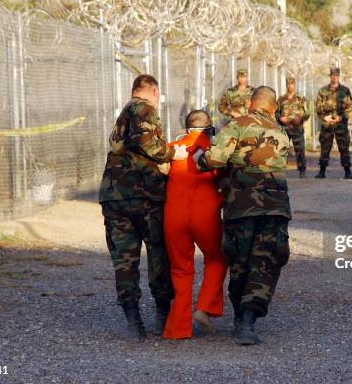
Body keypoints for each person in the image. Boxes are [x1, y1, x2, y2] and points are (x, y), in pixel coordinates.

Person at [193, 86, 291, 346]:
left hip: (241, 207)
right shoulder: (281, 132)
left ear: (250, 103)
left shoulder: (236, 125)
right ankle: (248, 321)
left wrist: (199, 157)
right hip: (274, 207)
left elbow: (215, 159)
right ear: (273, 107)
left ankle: (239, 317)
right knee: (265, 262)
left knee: (240, 261)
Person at [98, 74, 187, 342]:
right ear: (154, 91)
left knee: (125, 261)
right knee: (159, 254)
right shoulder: (143, 108)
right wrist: (174, 154)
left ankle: (134, 321)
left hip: (115, 197)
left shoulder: (124, 114)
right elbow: (145, 141)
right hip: (144, 196)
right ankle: (162, 316)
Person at [162, 110, 228, 339]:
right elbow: (224, 178)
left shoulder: (172, 148)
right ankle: (205, 308)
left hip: (174, 216)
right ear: (209, 128)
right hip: (205, 215)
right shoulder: (213, 151)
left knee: (180, 270)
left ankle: (177, 328)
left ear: (186, 128)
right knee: (217, 258)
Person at [315, 66, 352, 179]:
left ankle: (348, 171)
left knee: (344, 148)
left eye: (336, 75)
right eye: (333, 75)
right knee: (325, 147)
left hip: (340, 124)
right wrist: (325, 117)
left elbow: (349, 108)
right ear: (330, 76)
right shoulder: (323, 91)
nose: (334, 77)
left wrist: (341, 118)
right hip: (327, 124)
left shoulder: (345, 91)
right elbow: (318, 108)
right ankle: (322, 171)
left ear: (339, 76)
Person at [277, 76, 310, 178]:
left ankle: (302, 171)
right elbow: (276, 113)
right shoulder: (281, 99)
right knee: (282, 150)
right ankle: (280, 171)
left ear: (294, 85)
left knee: (300, 150)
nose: (289, 86)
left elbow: (307, 112)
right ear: (286, 85)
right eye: (288, 84)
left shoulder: (300, 99)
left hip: (297, 128)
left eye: (291, 84)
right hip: (284, 129)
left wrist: (300, 119)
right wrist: (280, 119)